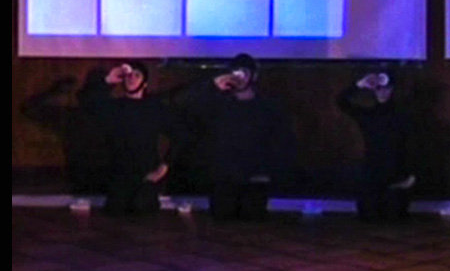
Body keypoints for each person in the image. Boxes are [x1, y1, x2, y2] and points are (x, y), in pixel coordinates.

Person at [178, 54, 295, 221]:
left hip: (255, 177)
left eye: (244, 72)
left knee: (252, 220)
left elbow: (280, 142)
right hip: (224, 177)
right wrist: (213, 86)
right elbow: (185, 104)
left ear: (253, 76)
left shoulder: (267, 107)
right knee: (222, 219)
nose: (239, 77)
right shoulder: (219, 103)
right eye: (235, 72)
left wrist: (268, 173)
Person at [77, 61, 186, 216]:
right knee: (116, 212)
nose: (132, 78)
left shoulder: (155, 108)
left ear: (145, 82)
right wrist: (108, 80)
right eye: (129, 75)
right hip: (119, 174)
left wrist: (163, 168)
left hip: (146, 175)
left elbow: (180, 134)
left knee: (142, 210)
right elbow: (87, 102)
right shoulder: (115, 108)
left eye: (137, 75)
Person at [337, 70, 416, 222]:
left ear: (392, 89)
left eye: (386, 88)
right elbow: (341, 101)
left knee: (394, 217)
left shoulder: (403, 115)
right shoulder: (368, 116)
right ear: (374, 90)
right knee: (368, 216)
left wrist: (409, 175)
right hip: (372, 175)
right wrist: (360, 84)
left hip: (396, 175)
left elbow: (411, 145)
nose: (382, 92)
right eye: (379, 88)